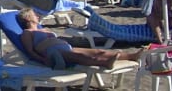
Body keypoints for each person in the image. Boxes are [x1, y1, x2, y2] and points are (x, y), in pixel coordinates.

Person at [15, 9, 144, 69]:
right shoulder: (27, 33)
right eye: (34, 15)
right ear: (27, 18)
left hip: (65, 46)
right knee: (81, 58)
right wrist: (43, 60)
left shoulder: (43, 29)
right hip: (54, 53)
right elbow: (30, 52)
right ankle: (104, 63)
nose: (37, 16)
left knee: (99, 51)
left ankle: (131, 56)